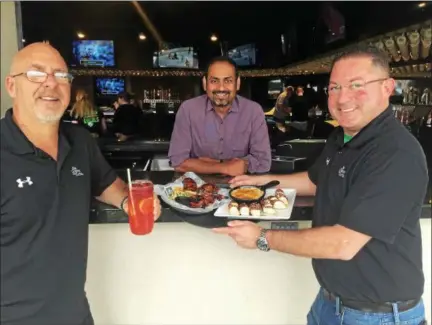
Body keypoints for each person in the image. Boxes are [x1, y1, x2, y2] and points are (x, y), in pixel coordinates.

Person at [214, 46, 428, 325]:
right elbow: (317, 180)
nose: (343, 97)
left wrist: (262, 238)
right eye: (335, 87)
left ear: (387, 87)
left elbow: (343, 243)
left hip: (378, 316)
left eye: (357, 85)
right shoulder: (343, 137)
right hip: (331, 303)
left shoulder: (395, 152)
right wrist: (263, 181)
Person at [0, 42, 161, 325]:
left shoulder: (79, 142)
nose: (51, 83)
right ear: (12, 86)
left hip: (75, 314)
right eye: (37, 74)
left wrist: (127, 200)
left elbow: (104, 183)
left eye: (61, 75)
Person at [168, 56, 271, 176]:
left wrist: (208, 163)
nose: (221, 88)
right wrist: (224, 167)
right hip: (195, 189)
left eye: (228, 81)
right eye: (214, 81)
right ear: (205, 83)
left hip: (243, 190)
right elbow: (178, 162)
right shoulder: (188, 110)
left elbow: (263, 162)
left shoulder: (253, 111)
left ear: (237, 84)